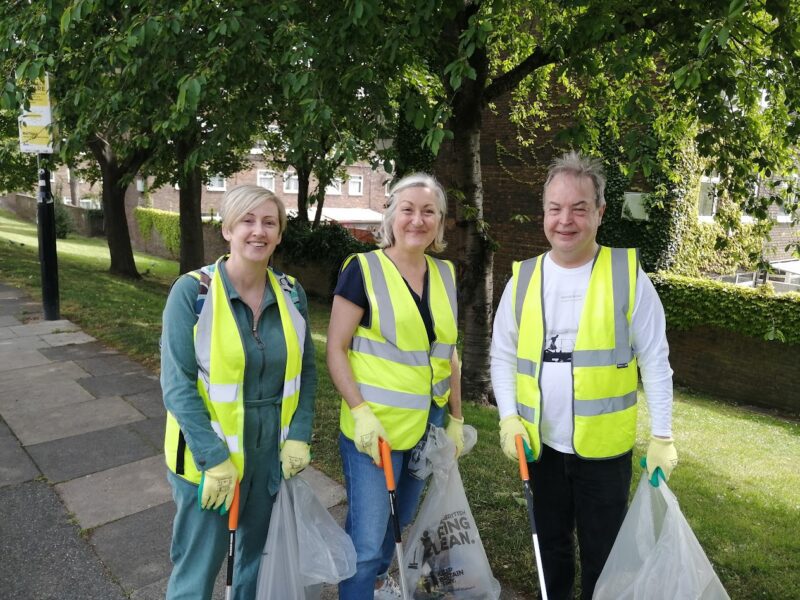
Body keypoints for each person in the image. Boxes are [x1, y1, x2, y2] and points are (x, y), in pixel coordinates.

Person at [490, 151, 677, 600]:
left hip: (605, 454)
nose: (565, 220)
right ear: (544, 214)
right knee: (549, 547)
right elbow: (502, 354)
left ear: (600, 212)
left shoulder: (628, 276)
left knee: (604, 556)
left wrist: (663, 435)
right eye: (555, 208)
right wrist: (508, 417)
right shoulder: (524, 278)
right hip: (540, 446)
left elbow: (654, 359)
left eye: (578, 208)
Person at [160, 185, 317, 599]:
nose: (258, 231)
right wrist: (213, 459)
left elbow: (308, 371)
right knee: (198, 570)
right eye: (247, 220)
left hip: (269, 454)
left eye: (269, 222)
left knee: (253, 564)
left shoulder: (291, 293)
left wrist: (299, 433)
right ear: (227, 228)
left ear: (280, 234)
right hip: (206, 456)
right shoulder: (192, 293)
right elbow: (177, 386)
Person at [327, 173, 464, 600]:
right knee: (367, 543)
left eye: (429, 212)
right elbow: (336, 348)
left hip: (427, 427)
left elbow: (449, 353)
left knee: (396, 524)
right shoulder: (362, 269)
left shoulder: (446, 274)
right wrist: (360, 412)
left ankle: (373, 590)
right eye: (408, 209)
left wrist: (456, 418)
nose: (417, 220)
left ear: (440, 222)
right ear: (391, 215)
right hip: (376, 431)